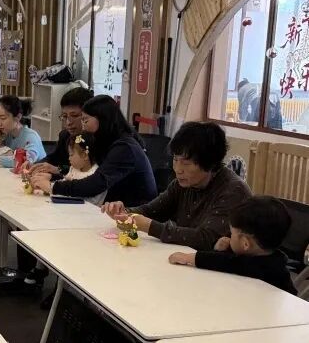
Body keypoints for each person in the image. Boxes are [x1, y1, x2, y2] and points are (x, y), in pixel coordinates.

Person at [103, 122, 251, 251]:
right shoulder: (182, 184)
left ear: (209, 163)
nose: (178, 169)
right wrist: (123, 212)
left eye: (186, 163)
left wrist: (150, 226)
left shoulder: (233, 191)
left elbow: (206, 238)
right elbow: (151, 211)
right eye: (175, 159)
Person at [31, 95, 156, 207]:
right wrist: (53, 176)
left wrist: (53, 186)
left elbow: (96, 183)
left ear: (102, 119)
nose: (83, 126)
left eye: (85, 120)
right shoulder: (103, 141)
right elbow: (85, 173)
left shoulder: (125, 147)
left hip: (132, 213)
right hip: (107, 207)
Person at [169, 196, 296, 294]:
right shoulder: (270, 257)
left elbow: (228, 263)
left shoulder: (268, 269)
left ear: (245, 243)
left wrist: (190, 258)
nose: (229, 237)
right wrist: (219, 250)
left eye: (232, 233)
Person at [31, 87, 94, 177]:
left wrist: (58, 170)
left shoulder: (95, 141)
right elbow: (53, 159)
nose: (68, 122)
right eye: (64, 116)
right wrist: (36, 165)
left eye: (74, 115)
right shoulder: (65, 135)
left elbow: (87, 173)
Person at [34, 133, 104, 205]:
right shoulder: (74, 169)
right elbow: (64, 183)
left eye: (71, 155)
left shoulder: (96, 175)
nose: (69, 158)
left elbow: (82, 196)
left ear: (85, 155)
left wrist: (51, 187)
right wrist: (46, 184)